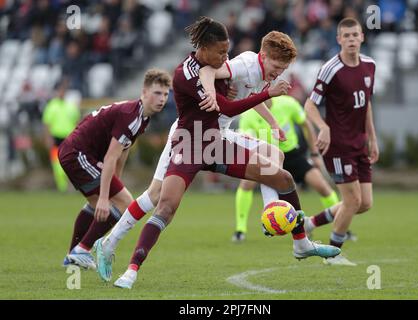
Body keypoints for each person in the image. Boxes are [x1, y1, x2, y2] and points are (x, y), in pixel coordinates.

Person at [96, 17, 340, 289]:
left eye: (228, 51)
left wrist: (270, 120)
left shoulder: (228, 67)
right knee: (159, 200)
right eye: (222, 52)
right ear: (205, 47)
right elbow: (226, 104)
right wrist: (261, 94)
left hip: (218, 140)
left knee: (279, 168)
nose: (226, 57)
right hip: (189, 141)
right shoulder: (190, 74)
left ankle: (293, 234)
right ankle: (111, 246)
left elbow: (238, 91)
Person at [59, 69, 172, 269]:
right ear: (144, 92)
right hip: (78, 154)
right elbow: (111, 156)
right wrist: (105, 196)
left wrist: (114, 183)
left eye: (165, 94)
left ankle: (72, 257)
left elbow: (123, 151)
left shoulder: (141, 116)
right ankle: (82, 250)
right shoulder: (131, 116)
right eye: (157, 93)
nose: (162, 99)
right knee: (124, 203)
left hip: (77, 153)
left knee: (102, 205)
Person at [304, 17, 379, 266]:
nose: (351, 40)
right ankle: (332, 253)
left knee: (364, 203)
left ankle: (310, 223)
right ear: (338, 40)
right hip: (337, 146)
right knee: (352, 201)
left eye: (354, 35)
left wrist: (372, 138)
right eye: (346, 36)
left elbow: (366, 104)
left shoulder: (370, 66)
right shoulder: (330, 69)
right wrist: (323, 127)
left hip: (359, 143)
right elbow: (309, 105)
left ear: (362, 37)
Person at [232, 95, 340, 242]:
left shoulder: (287, 103)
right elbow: (246, 136)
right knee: (246, 184)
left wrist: (314, 153)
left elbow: (305, 124)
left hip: (291, 154)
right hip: (266, 156)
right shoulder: (248, 113)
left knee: (322, 186)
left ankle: (340, 224)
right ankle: (240, 230)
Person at [42, 79, 80, 192]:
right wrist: (47, 138)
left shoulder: (71, 106)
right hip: (56, 138)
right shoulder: (51, 106)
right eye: (60, 91)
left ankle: (69, 186)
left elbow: (77, 122)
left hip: (68, 139)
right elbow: (47, 124)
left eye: (63, 91)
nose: (61, 93)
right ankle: (62, 187)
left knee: (69, 163)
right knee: (56, 165)